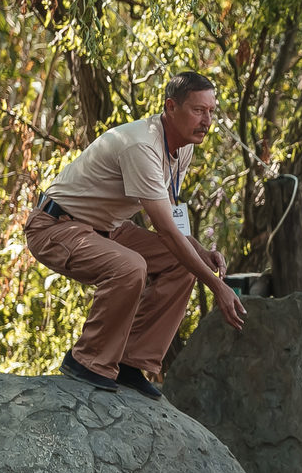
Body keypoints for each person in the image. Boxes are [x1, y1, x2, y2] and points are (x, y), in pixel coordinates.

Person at [24, 71, 246, 398]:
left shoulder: (183, 147)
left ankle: (130, 362)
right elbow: (166, 232)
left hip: (108, 229)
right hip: (56, 227)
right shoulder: (143, 145)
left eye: (212, 111)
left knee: (181, 262)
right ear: (171, 107)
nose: (207, 120)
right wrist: (217, 287)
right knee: (130, 266)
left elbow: (171, 213)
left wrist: (199, 251)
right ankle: (85, 360)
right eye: (199, 110)